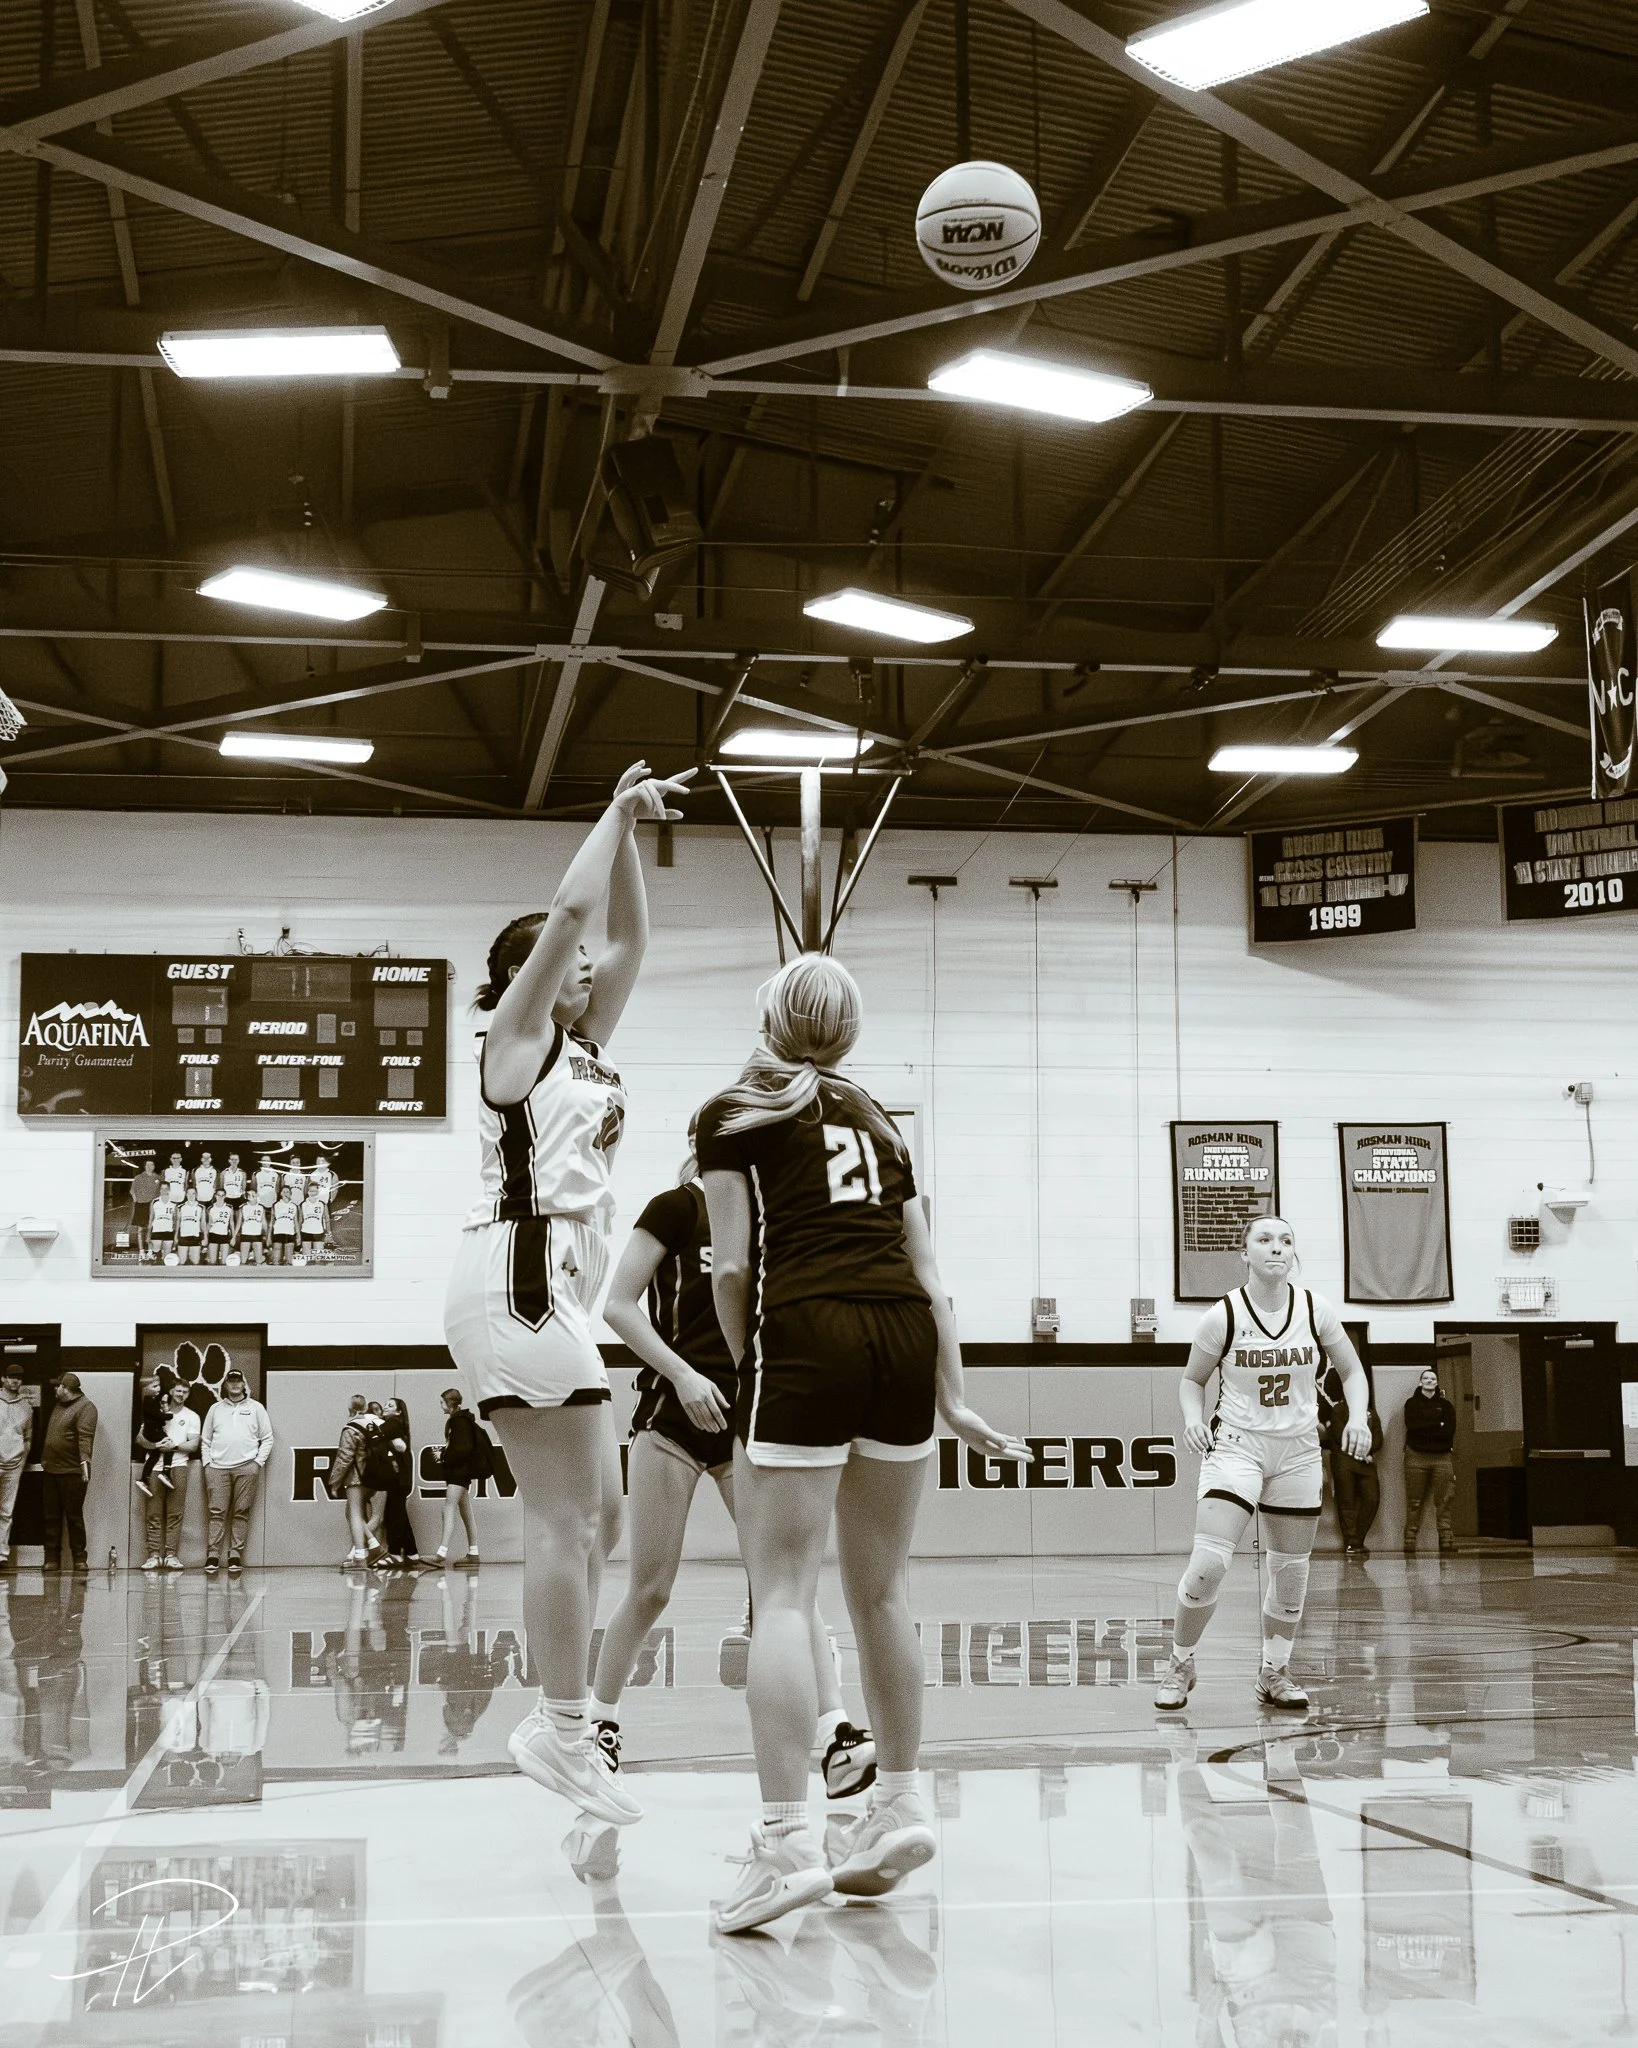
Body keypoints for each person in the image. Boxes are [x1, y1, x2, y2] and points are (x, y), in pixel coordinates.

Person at [696, 953, 1027, 1934]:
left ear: (768, 1015)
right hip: (904, 1338)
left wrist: (749, 1357)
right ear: (848, 1034)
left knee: (785, 1591)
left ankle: (787, 1840)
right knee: (884, 1589)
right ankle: (899, 1804)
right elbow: (933, 1272)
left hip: (808, 1331)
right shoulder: (883, 1120)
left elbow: (731, 1264)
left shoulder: (734, 1114)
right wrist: (953, 1395)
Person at [444, 758, 691, 1829]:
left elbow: (628, 938)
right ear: (532, 977)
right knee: (563, 1518)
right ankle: (558, 1724)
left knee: (599, 1519)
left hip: (552, 1287)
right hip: (518, 1274)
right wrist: (612, 809)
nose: (591, 966)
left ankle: (568, 1719)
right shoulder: (517, 1041)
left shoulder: (583, 1050)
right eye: (569, 963)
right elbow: (575, 911)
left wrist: (635, 835)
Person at [589, 1138, 875, 1799]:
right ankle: (596, 1725)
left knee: (787, 1588)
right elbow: (618, 1306)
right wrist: (684, 1375)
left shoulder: (768, 1225)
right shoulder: (675, 1209)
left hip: (747, 1423)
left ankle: (835, 1735)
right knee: (651, 1589)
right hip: (671, 1418)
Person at [1154, 1216, 1371, 1715]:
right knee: (1209, 1564)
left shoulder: (1316, 1310)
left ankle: (1275, 1671)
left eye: (1287, 1240)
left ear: (1294, 1254)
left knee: (1291, 1574)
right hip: (1236, 1446)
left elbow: (1352, 1370)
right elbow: (1193, 1380)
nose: (1278, 1248)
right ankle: (1180, 1662)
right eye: (1265, 1240)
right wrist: (1192, 1418)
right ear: (1245, 1253)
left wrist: (1357, 1416)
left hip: (1297, 1451)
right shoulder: (1222, 1316)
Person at [200, 1369, 273, 1575]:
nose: (234, 1384)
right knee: (217, 1513)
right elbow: (205, 1440)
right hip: (217, 1468)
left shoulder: (256, 1408)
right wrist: (208, 1464)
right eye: (230, 1381)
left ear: (243, 1384)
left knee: (241, 1512)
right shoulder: (215, 1409)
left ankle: (235, 1555)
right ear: (225, 1385)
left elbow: (267, 1438)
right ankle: (213, 1555)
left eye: (238, 1381)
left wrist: (257, 1463)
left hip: (247, 1467)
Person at [1321, 1363, 1383, 1559]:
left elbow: (1378, 1436)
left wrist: (1367, 1451)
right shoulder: (1338, 1410)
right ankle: (1351, 1543)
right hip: (1344, 1462)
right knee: (1345, 1503)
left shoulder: (1370, 1412)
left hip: (1366, 1463)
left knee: (1372, 1500)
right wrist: (1361, 1452)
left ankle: (1357, 1540)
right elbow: (1340, 1435)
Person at [40, 1373, 98, 1574]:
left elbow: (85, 1439)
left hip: (72, 1472)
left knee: (73, 1516)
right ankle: (51, 1558)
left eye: (59, 1387)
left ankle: (80, 1558)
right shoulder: (59, 1405)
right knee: (51, 1517)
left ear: (66, 1388)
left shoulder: (86, 1407)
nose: (56, 1390)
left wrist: (85, 1465)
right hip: (51, 1470)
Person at [141, 1384, 199, 1571]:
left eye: (185, 1391)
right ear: (171, 1392)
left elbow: (193, 1445)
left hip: (179, 1466)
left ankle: (171, 1556)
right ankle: (154, 1556)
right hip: (155, 1468)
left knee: (175, 1514)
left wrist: (173, 1447)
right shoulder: (155, 1410)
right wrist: (157, 1445)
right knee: (153, 1513)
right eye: (178, 1390)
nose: (181, 1394)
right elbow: (140, 1439)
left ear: (189, 1394)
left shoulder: (192, 1416)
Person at [1402, 1366, 1458, 1555]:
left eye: (1433, 1378)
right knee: (1414, 1502)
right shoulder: (1411, 1404)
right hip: (1415, 1458)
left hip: (1442, 1457)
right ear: (1420, 1382)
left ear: (1436, 1382)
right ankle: (1409, 1541)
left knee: (1444, 1501)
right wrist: (1436, 1424)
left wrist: (1426, 1427)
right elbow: (1412, 1426)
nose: (1429, 1381)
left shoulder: (1447, 1406)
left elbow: (1448, 1431)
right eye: (1426, 1378)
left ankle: (1446, 1540)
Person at [434, 1387, 485, 1566]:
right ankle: (473, 1553)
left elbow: (462, 1449)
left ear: (450, 1403)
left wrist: (444, 1456)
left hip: (458, 1472)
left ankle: (441, 1553)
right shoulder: (462, 1421)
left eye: (442, 1402)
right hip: (461, 1472)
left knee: (447, 1508)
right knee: (466, 1512)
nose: (440, 1405)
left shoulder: (458, 1422)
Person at [329, 1395, 382, 1566]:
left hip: (356, 1478)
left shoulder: (351, 1428)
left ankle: (360, 1555)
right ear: (365, 1407)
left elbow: (344, 1458)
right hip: (375, 1476)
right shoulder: (375, 1426)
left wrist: (335, 1482)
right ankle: (373, 1544)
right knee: (353, 1513)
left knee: (355, 1514)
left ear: (350, 1409)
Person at [375, 1399, 422, 1564]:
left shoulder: (393, 1423)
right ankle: (411, 1552)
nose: (385, 1407)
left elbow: (379, 1435)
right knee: (399, 1512)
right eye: (385, 1404)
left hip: (397, 1477)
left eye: (390, 1405)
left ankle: (394, 1553)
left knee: (393, 1514)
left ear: (399, 1411)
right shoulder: (397, 1426)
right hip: (401, 1478)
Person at [0, 1364, 32, 1569]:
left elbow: (28, 1436)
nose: (15, 1381)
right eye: (11, 1377)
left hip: (14, 1464)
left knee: (6, 1511)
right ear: (3, 1379)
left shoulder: (26, 1406)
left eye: (18, 1378)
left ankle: (1, 1555)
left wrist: (22, 1458)